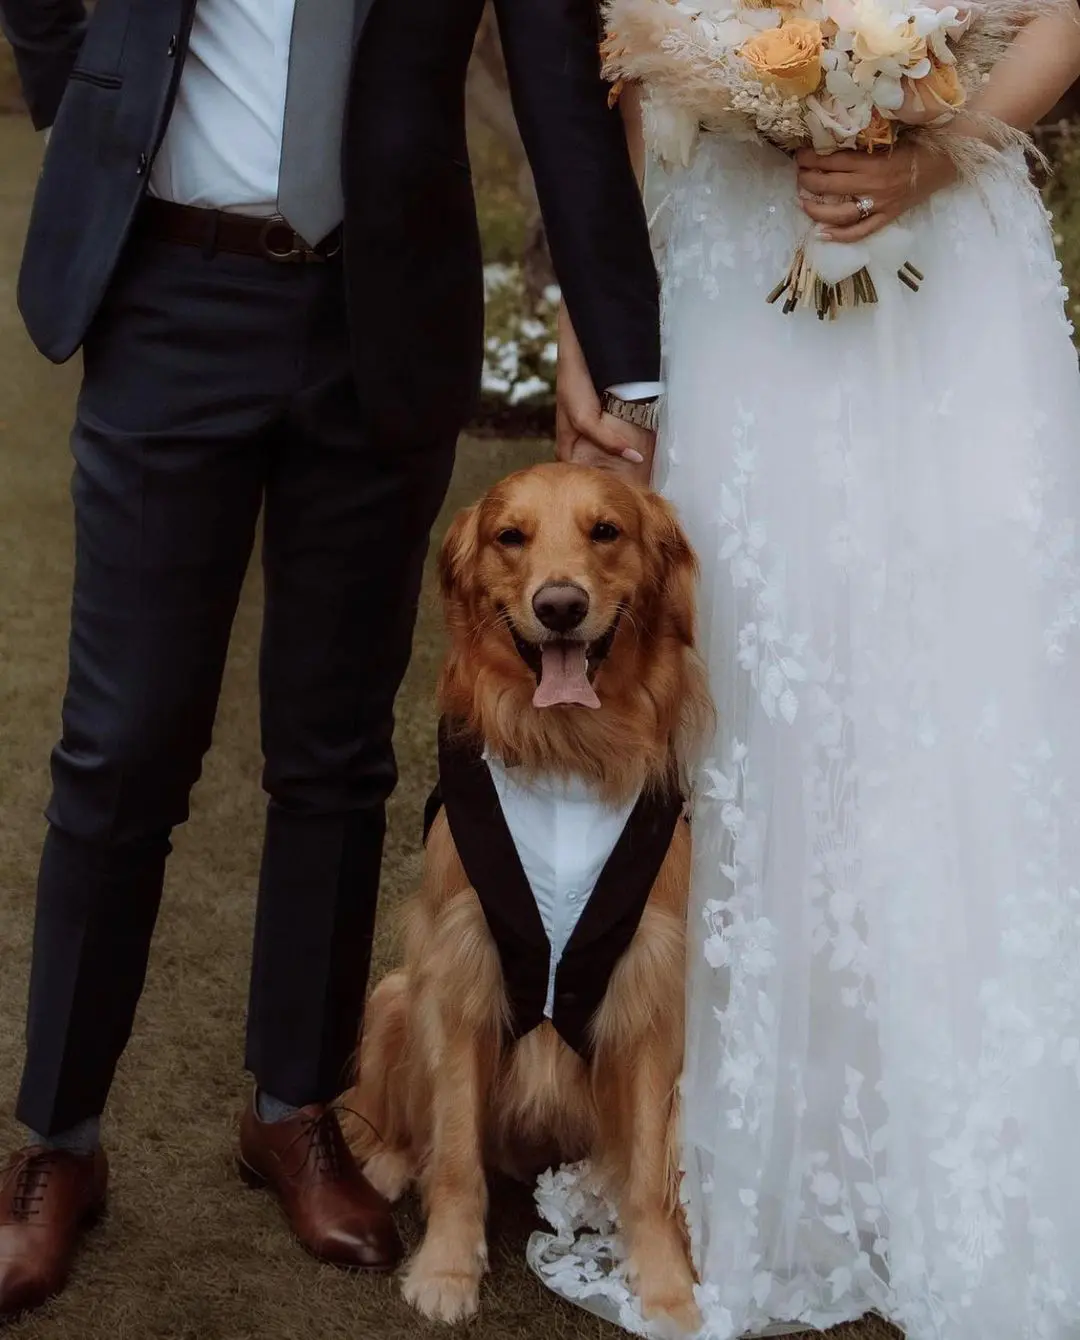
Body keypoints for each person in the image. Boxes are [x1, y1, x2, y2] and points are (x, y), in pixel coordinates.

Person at [0, 0, 662, 1318]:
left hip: (382, 314)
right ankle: (58, 1141)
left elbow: (553, 66)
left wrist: (627, 363)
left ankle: (295, 1110)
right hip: (167, 290)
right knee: (120, 746)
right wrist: (95, 96)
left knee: (336, 747)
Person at [546, 3, 1080, 1338]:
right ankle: (752, 1148)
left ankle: (971, 1141)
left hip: (954, 272)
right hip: (735, 268)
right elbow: (634, 64)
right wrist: (589, 314)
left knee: (958, 676)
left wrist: (937, 150)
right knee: (756, 678)